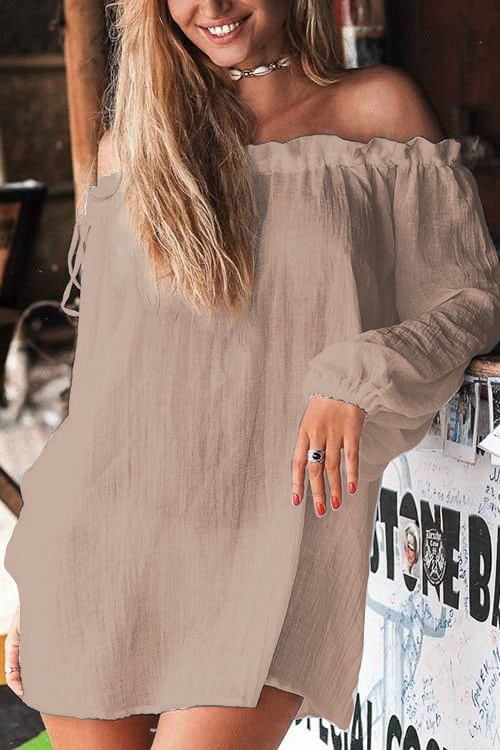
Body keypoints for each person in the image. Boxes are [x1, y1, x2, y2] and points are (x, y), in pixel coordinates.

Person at [4, 1, 500, 748]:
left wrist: (359, 375)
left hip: (276, 536)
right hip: (102, 540)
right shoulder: (133, 144)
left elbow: (471, 300)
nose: (213, 7)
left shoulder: (375, 110)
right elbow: (104, 388)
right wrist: (36, 575)